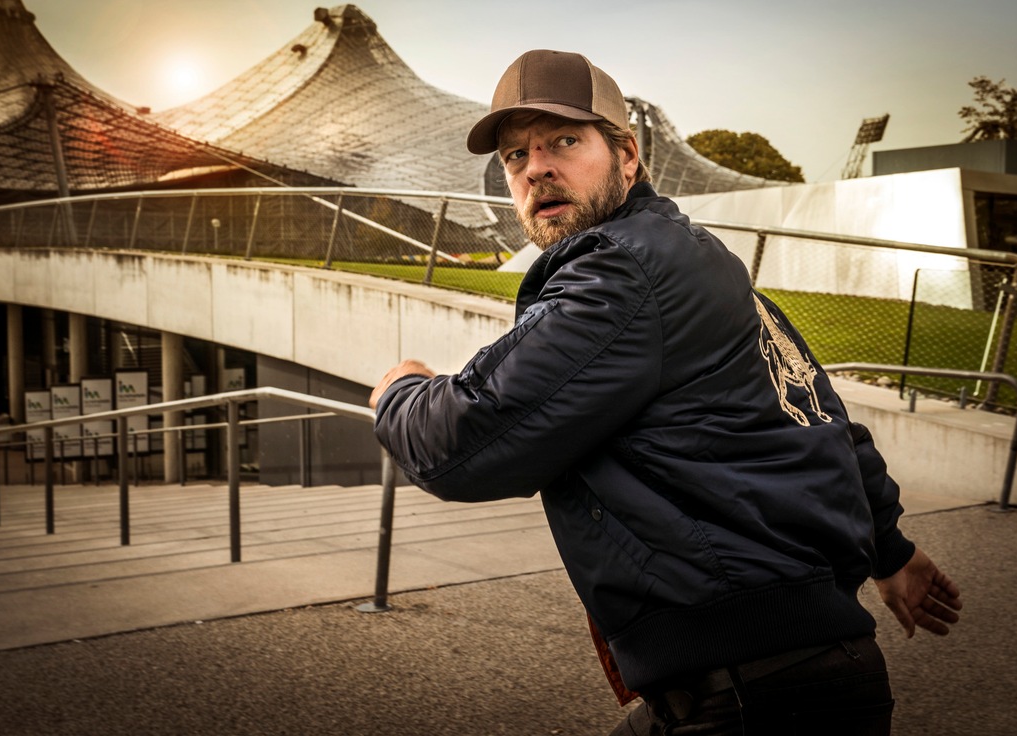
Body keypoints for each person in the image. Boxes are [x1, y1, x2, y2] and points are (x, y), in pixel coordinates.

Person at [369, 49, 961, 734]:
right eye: (514, 156)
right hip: (788, 673)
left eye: (563, 140)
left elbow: (469, 440)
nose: (536, 168)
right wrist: (890, 550)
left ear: (627, 156)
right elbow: (814, 405)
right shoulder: (691, 255)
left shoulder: (625, 271)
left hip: (752, 690)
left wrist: (399, 393)